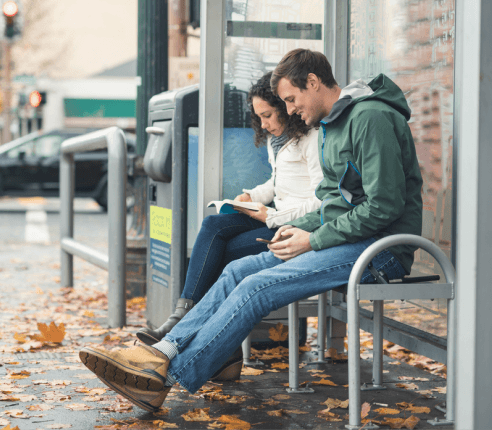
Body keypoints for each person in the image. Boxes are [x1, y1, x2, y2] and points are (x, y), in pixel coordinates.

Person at [79, 48, 423, 413]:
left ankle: (163, 381)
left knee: (257, 287)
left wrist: (313, 238)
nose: (290, 110)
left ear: (314, 82)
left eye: (291, 99)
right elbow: (332, 205)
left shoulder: (370, 118)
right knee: (236, 270)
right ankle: (161, 352)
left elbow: (384, 207)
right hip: (350, 238)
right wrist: (296, 228)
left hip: (382, 250)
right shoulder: (332, 125)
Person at [136, 71, 323, 346]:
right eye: (259, 117)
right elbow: (276, 182)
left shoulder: (313, 139)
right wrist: (251, 195)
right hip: (273, 217)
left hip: (294, 228)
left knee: (221, 255)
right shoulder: (278, 140)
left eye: (268, 115)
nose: (264, 124)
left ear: (287, 106)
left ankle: (198, 337)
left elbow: (321, 201)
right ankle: (183, 318)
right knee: (213, 225)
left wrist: (271, 215)